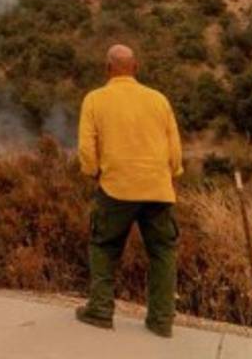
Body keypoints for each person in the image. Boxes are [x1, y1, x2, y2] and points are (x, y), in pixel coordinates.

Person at [75, 44, 183, 338]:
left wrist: (93, 171)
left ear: (107, 69)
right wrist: (171, 174)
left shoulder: (95, 100)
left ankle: (100, 311)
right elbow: (174, 148)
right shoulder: (159, 100)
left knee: (104, 247)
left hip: (116, 188)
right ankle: (161, 321)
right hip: (158, 190)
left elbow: (87, 148)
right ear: (136, 67)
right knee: (162, 253)